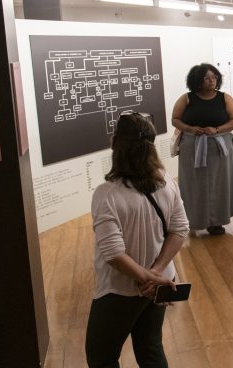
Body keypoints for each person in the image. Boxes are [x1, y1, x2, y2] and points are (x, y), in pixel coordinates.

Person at [85, 112, 189, 368]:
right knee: (150, 349)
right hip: (160, 283)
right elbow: (180, 229)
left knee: (101, 357)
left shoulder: (107, 194)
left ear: (115, 144)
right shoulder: (165, 181)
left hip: (120, 290)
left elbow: (113, 254)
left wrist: (146, 278)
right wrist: (156, 272)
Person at [171, 63, 233, 236]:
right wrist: (190, 129)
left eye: (214, 77)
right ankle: (193, 220)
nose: (212, 80)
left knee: (220, 183)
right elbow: (175, 119)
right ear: (197, 80)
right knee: (193, 184)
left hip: (219, 148)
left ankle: (216, 222)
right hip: (192, 148)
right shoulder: (186, 98)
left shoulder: (224, 98)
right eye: (207, 78)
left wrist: (217, 129)